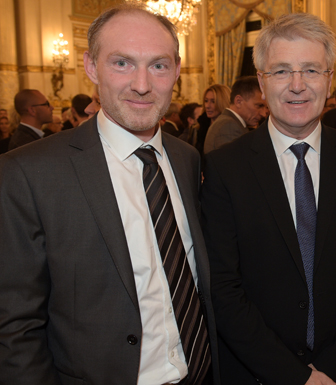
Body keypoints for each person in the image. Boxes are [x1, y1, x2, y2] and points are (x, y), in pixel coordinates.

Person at [0, 4, 219, 384]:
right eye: (122, 63)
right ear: (90, 66)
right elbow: (15, 324)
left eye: (159, 65)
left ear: (177, 71)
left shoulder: (186, 158)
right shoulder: (28, 172)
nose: (141, 83)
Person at [202, 12, 336, 385]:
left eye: (310, 70)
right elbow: (222, 286)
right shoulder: (226, 167)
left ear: (329, 79)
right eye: (281, 71)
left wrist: (335, 370)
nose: (297, 85)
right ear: (261, 80)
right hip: (258, 373)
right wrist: (294, 377)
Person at [204, 76, 267, 154]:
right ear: (238, 101)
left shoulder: (231, 123)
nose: (263, 114)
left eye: (266, 107)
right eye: (259, 106)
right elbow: (233, 164)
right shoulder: (229, 126)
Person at [195, 84, 231, 158]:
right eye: (206, 101)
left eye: (213, 101)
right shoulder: (198, 128)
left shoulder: (229, 128)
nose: (208, 106)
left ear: (223, 102)